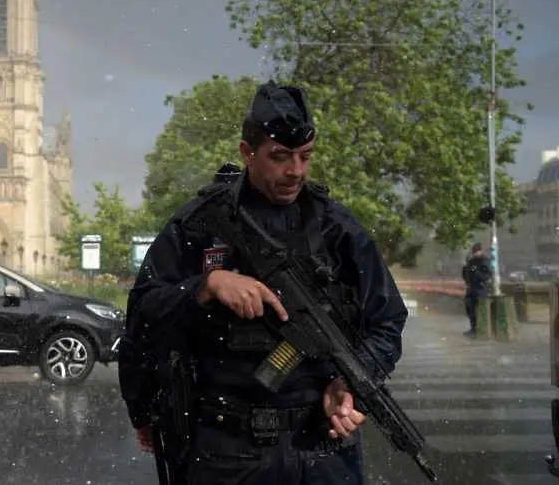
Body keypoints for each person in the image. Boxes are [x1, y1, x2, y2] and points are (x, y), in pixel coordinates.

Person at [118, 80, 409, 484]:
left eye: (306, 157)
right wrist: (206, 285)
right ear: (246, 153)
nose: (296, 171)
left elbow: (387, 321)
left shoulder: (336, 228)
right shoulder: (201, 224)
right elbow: (143, 316)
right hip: (226, 447)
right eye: (280, 157)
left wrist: (350, 386)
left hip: (321, 447)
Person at [461, 242, 491, 338]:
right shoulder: (471, 261)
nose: (475, 253)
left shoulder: (484, 261)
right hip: (471, 288)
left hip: (481, 288)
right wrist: (465, 268)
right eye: (474, 252)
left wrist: (476, 271)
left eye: (476, 251)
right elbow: (466, 276)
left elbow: (486, 276)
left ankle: (481, 330)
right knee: (469, 308)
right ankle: (473, 328)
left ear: (480, 251)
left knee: (481, 309)